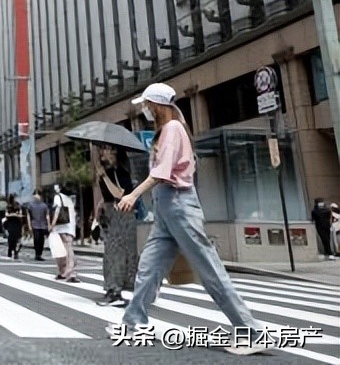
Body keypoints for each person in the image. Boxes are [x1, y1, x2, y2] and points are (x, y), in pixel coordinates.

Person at [110, 83, 266, 356]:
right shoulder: (168, 129)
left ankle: (252, 332)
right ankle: (133, 323)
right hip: (166, 208)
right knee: (148, 268)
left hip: (179, 205)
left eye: (147, 104)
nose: (145, 109)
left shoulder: (173, 129)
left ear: (158, 105)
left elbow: (162, 172)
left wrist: (133, 195)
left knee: (210, 270)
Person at [91, 143, 139, 307]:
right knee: (111, 253)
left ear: (114, 152)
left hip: (122, 214)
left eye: (105, 148)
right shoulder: (107, 171)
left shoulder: (120, 171)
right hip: (111, 214)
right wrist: (99, 209)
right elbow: (107, 197)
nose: (102, 152)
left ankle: (117, 290)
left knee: (119, 253)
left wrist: (104, 175)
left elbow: (120, 194)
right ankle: (112, 288)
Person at [52, 184, 78, 282]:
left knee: (60, 250)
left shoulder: (58, 197)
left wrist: (52, 224)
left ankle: (63, 271)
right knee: (69, 248)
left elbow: (57, 210)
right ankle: (70, 271)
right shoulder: (70, 199)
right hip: (70, 226)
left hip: (61, 226)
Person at [25, 189, 50, 261]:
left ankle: (39, 254)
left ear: (40, 196)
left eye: (37, 194)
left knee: (41, 240)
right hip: (35, 224)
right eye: (34, 195)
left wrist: (48, 225)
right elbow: (28, 215)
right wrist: (29, 225)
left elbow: (47, 215)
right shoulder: (30, 205)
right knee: (36, 239)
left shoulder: (44, 205)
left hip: (43, 225)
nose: (36, 196)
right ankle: (37, 254)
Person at [3, 195, 24, 259]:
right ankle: (10, 250)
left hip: (17, 223)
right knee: (11, 238)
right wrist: (14, 214)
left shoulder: (18, 206)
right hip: (10, 223)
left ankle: (15, 251)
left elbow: (21, 215)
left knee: (17, 238)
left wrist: (15, 215)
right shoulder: (8, 206)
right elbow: (6, 215)